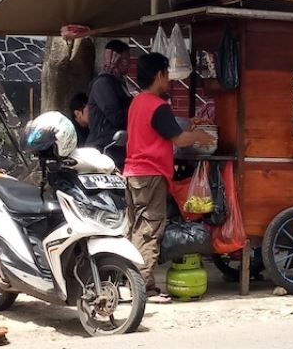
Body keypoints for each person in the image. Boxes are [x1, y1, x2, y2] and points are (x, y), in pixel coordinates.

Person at [124, 52, 215, 304]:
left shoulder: (137, 102)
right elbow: (179, 139)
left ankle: (133, 280)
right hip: (150, 174)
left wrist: (189, 127)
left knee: (136, 228)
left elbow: (167, 131)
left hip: (133, 173)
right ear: (159, 75)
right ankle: (142, 287)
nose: (170, 80)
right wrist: (200, 137)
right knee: (150, 229)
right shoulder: (157, 105)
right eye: (167, 74)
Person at [86, 40, 133, 167]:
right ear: (115, 60)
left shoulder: (120, 83)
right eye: (124, 60)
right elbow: (115, 116)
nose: (128, 64)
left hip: (117, 148)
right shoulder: (103, 84)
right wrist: (135, 110)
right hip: (103, 148)